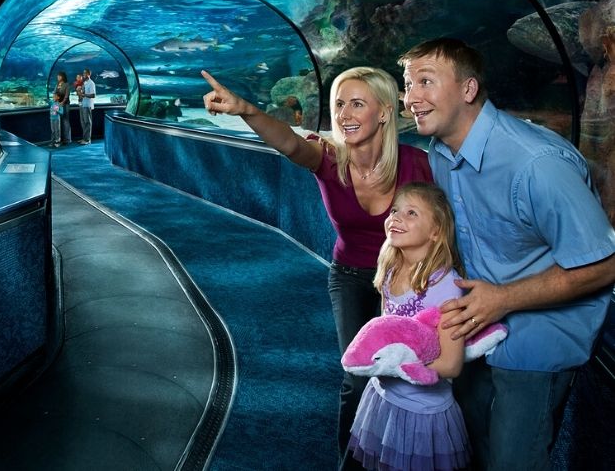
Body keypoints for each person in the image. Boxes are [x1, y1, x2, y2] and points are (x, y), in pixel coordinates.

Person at [398, 37, 615, 470]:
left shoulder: (536, 163)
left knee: (512, 461)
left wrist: (503, 299)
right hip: (478, 324)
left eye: (425, 81)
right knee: (466, 442)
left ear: (468, 89)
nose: (411, 98)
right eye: (406, 85)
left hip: (540, 331)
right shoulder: (439, 153)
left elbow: (604, 264)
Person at [201, 66, 433, 467]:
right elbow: (290, 144)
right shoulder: (328, 158)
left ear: (383, 113)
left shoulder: (418, 164)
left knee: (407, 377)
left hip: (407, 280)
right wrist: (244, 109)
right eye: (339, 104)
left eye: (357, 104)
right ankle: (352, 460)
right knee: (358, 374)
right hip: (350, 276)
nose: (344, 114)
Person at [347, 181, 470, 471]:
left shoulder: (446, 286)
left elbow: (452, 365)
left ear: (436, 232)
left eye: (412, 213)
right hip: (382, 398)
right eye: (395, 210)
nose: (397, 217)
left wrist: (398, 366)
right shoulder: (389, 268)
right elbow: (383, 329)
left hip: (421, 413)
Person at [49, 71, 71, 148]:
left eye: (59, 76)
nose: (58, 77)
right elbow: (54, 93)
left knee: (65, 121)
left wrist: (63, 102)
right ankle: (58, 139)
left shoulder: (67, 84)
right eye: (57, 76)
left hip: (65, 104)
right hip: (58, 104)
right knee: (58, 122)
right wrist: (54, 100)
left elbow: (67, 95)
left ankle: (67, 139)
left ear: (62, 77)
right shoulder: (57, 84)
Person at [79, 68, 96, 144]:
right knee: (83, 122)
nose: (83, 75)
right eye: (83, 73)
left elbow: (93, 95)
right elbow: (82, 93)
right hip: (82, 104)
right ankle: (84, 138)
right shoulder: (85, 83)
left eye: (85, 73)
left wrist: (84, 94)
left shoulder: (91, 83)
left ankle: (87, 140)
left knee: (87, 122)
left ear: (89, 74)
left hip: (87, 105)